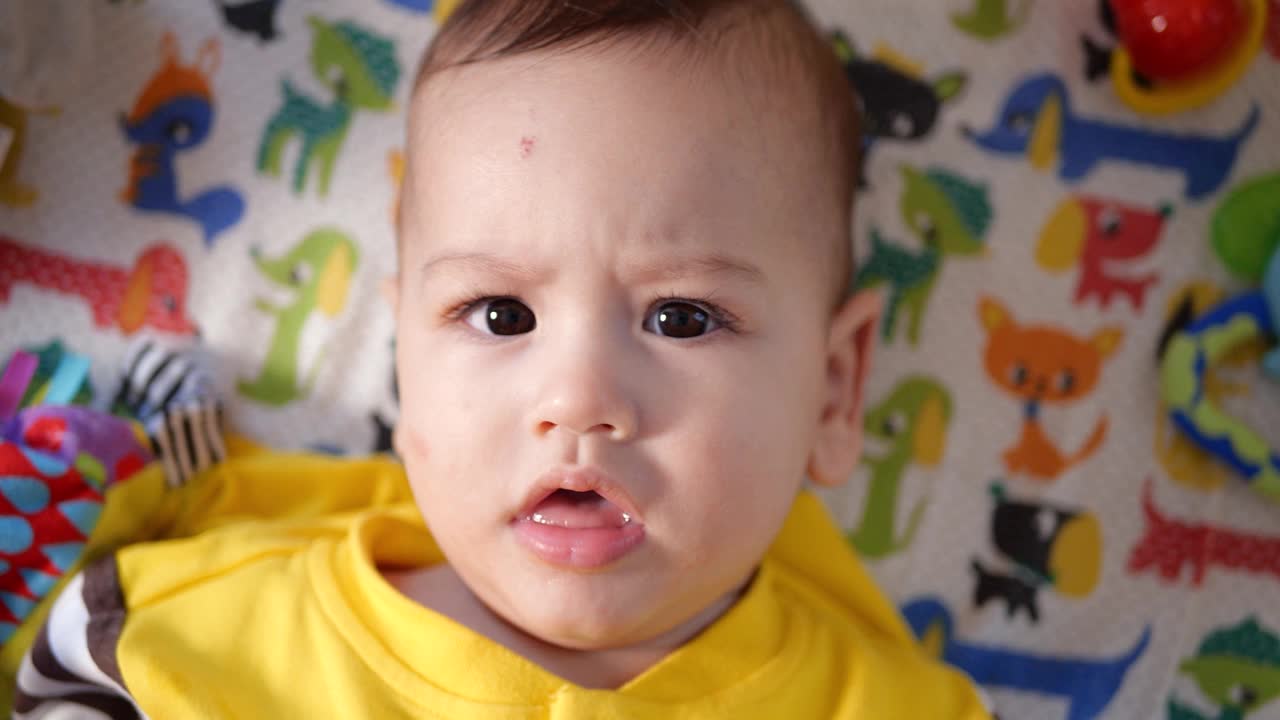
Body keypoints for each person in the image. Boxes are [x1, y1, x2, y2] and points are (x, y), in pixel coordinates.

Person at [13, 0, 991, 716]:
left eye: (681, 319)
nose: (577, 399)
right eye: (497, 314)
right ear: (405, 359)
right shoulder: (188, 639)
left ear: (832, 390)